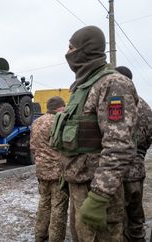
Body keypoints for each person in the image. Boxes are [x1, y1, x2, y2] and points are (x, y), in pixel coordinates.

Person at [50, 26, 139, 241]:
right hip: (80, 190)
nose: (67, 53)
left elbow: (119, 147)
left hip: (98, 194)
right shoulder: (82, 88)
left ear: (85, 50)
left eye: (71, 48)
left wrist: (99, 196)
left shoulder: (112, 84)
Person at [116, 65, 152, 242]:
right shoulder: (144, 105)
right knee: (136, 217)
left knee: (118, 218)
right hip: (138, 168)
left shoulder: (116, 102)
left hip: (117, 168)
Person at [30, 96, 69, 242]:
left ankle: (40, 236)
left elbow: (33, 147)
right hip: (58, 173)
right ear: (60, 107)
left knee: (44, 204)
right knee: (58, 207)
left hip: (42, 171)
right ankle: (55, 239)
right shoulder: (60, 121)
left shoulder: (37, 122)